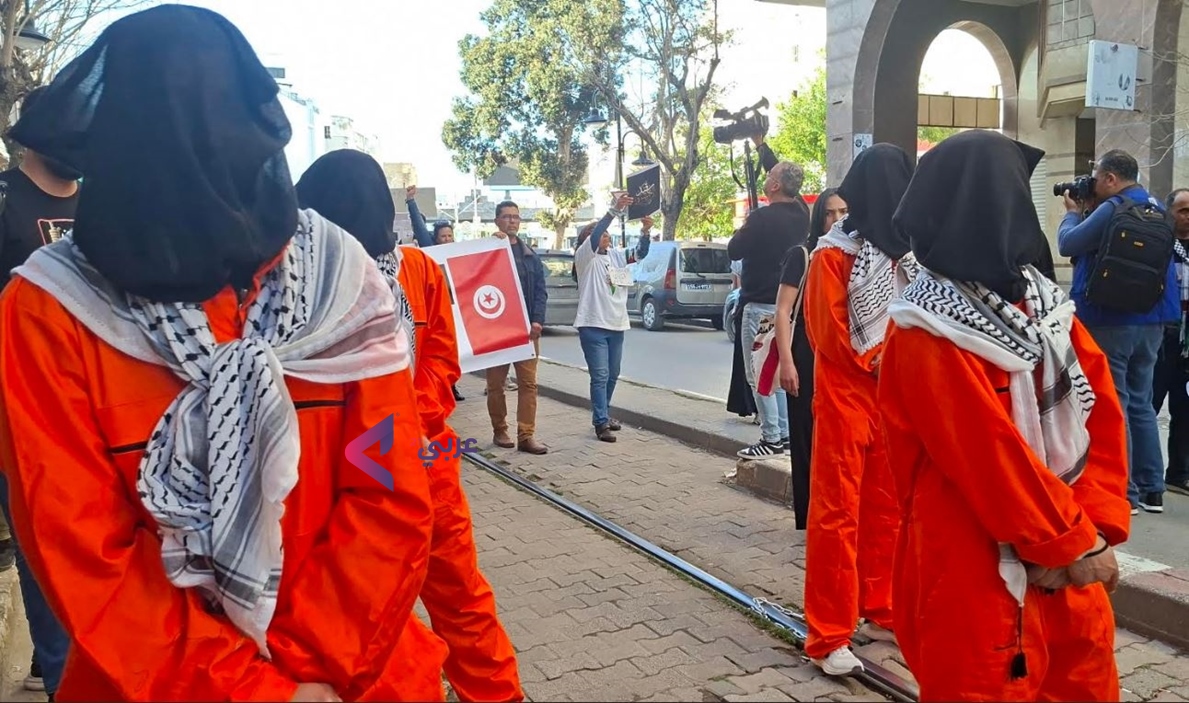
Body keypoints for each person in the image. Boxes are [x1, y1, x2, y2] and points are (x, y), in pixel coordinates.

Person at [0, 7, 436, 701]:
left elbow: (387, 483)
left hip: (343, 676)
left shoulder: (341, 282)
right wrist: (273, 691)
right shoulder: (51, 310)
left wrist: (308, 673)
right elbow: (81, 547)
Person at [880, 129, 1130, 702]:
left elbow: (1101, 421)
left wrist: (1093, 530)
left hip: (1068, 564)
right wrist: (1073, 543)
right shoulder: (924, 329)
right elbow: (989, 459)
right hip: (976, 571)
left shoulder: (1048, 311)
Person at [294, 149, 522, 703]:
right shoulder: (300, 282)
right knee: (374, 607)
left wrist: (403, 425)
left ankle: (497, 695)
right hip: (363, 469)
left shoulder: (415, 270)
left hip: (410, 460)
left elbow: (442, 359)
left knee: (457, 595)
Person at [801, 143, 916, 676]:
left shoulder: (906, 256)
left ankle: (881, 607)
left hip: (891, 400)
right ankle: (828, 634)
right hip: (847, 397)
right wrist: (882, 360)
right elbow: (829, 334)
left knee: (887, 512)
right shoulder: (831, 255)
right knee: (837, 514)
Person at [0, 85, 77, 702]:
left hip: (91, 410)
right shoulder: (4, 200)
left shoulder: (108, 202)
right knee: (41, 555)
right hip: (17, 410)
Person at [1057, 149, 1179, 515]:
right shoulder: (1157, 207)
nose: (1092, 184)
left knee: (1116, 402)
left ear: (1111, 178)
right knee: (1142, 402)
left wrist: (1073, 213)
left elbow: (1068, 244)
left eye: (1097, 178)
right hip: (1153, 319)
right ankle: (1152, 488)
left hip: (1110, 318)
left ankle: (1124, 490)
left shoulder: (1113, 208)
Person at [773, 188, 847, 530]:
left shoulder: (852, 255)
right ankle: (808, 518)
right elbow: (783, 310)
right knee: (804, 437)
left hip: (836, 354)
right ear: (819, 217)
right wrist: (786, 362)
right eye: (829, 213)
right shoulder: (803, 255)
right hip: (804, 351)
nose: (836, 219)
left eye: (843, 212)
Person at [728, 159, 809, 459]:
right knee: (778, 369)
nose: (766, 175)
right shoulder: (802, 215)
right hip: (787, 304)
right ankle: (784, 434)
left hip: (759, 302)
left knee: (759, 372)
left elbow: (734, 249)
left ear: (775, 185)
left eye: (770, 174)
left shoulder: (761, 218)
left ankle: (770, 436)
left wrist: (746, 225)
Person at [573, 193, 640, 441]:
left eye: (608, 235)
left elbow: (639, 253)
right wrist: (613, 210)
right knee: (600, 375)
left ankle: (604, 412)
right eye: (601, 234)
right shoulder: (585, 257)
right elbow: (596, 234)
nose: (606, 237)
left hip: (616, 324)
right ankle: (600, 422)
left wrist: (645, 231)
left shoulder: (615, 256)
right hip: (593, 324)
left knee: (612, 374)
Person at [486, 200, 549, 454]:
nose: (512, 221)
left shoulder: (530, 256)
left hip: (526, 331)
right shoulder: (487, 251)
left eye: (516, 217)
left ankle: (526, 436)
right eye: (506, 216)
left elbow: (541, 291)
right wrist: (491, 245)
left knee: (528, 384)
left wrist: (537, 320)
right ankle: (499, 430)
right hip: (497, 331)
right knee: (495, 385)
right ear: (497, 221)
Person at [1155, 187, 1189, 495]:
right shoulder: (1160, 245)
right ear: (1170, 213)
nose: (1188, 217)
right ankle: (1137, 473)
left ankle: (1179, 473)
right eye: (1183, 211)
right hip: (1162, 337)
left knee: (1185, 408)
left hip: (1187, 343)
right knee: (1148, 406)